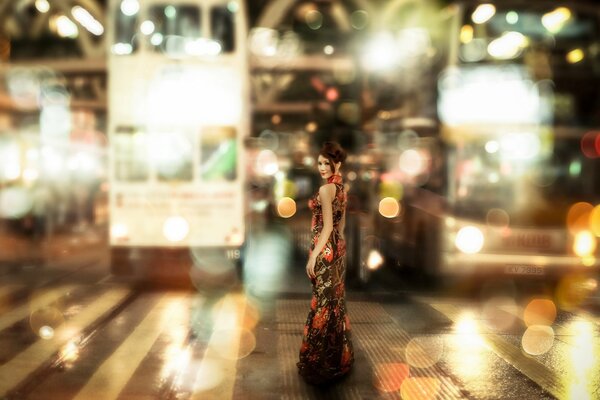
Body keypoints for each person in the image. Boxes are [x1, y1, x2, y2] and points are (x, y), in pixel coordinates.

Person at [297, 141, 354, 384]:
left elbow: (328, 226)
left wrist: (313, 255)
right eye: (319, 163)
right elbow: (340, 228)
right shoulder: (342, 189)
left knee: (322, 304)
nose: (321, 167)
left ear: (337, 164)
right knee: (334, 304)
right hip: (337, 249)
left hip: (324, 250)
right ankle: (337, 359)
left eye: (326, 163)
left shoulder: (325, 190)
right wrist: (339, 250)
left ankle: (319, 361)